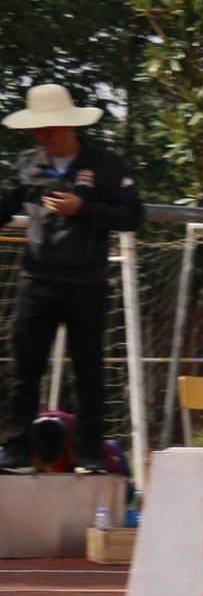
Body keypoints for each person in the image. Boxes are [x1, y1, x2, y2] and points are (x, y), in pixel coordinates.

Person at [0, 85, 144, 474]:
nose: (41, 136)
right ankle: (16, 451)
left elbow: (132, 215)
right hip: (37, 280)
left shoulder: (105, 165)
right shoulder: (27, 163)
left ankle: (90, 454)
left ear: (68, 125)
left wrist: (84, 208)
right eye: (36, 129)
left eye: (48, 128)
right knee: (25, 369)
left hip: (87, 283)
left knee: (89, 370)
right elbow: (6, 203)